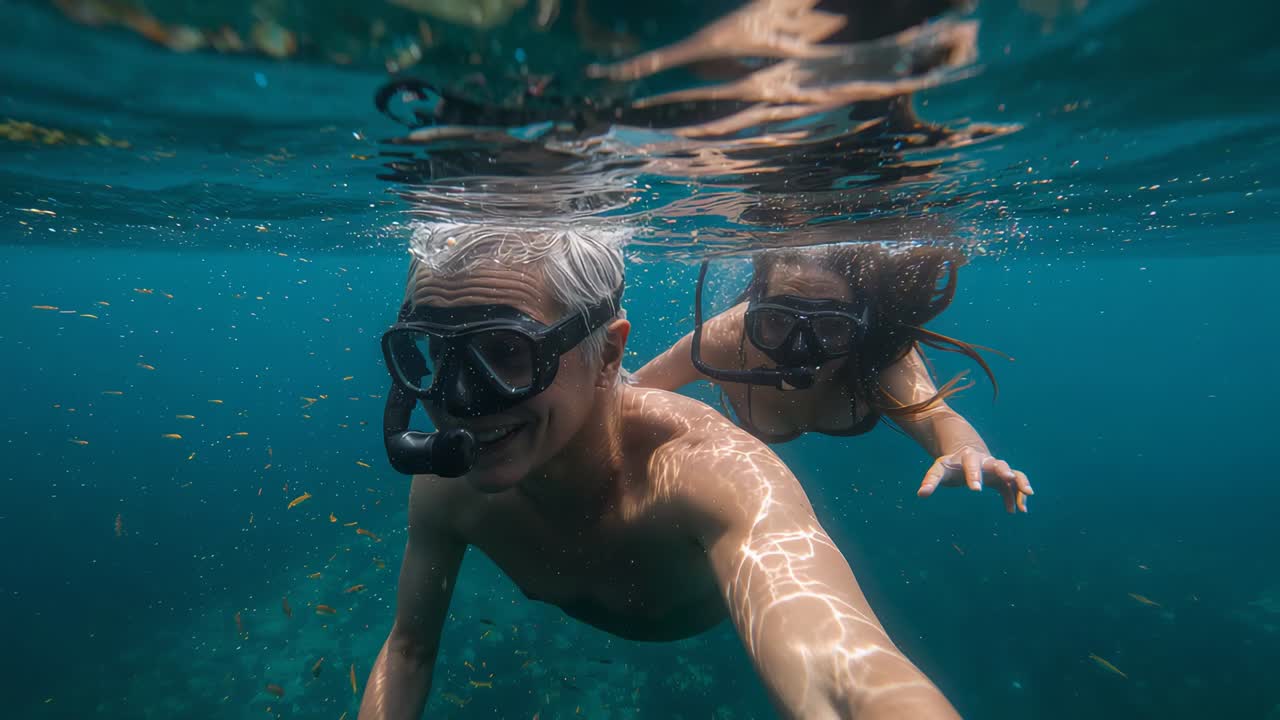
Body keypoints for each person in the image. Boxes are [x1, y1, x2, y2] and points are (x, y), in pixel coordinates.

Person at [360, 222, 963, 720]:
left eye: (508, 352)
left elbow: (847, 667)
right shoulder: (447, 486)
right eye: (436, 354)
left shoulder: (714, 472)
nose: (461, 400)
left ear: (611, 354)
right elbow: (409, 650)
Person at [631, 243, 1033, 513]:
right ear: (754, 310)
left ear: (859, 326)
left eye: (831, 328)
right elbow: (628, 393)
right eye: (775, 323)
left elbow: (937, 417)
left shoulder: (879, 355)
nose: (800, 349)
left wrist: (969, 451)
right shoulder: (726, 338)